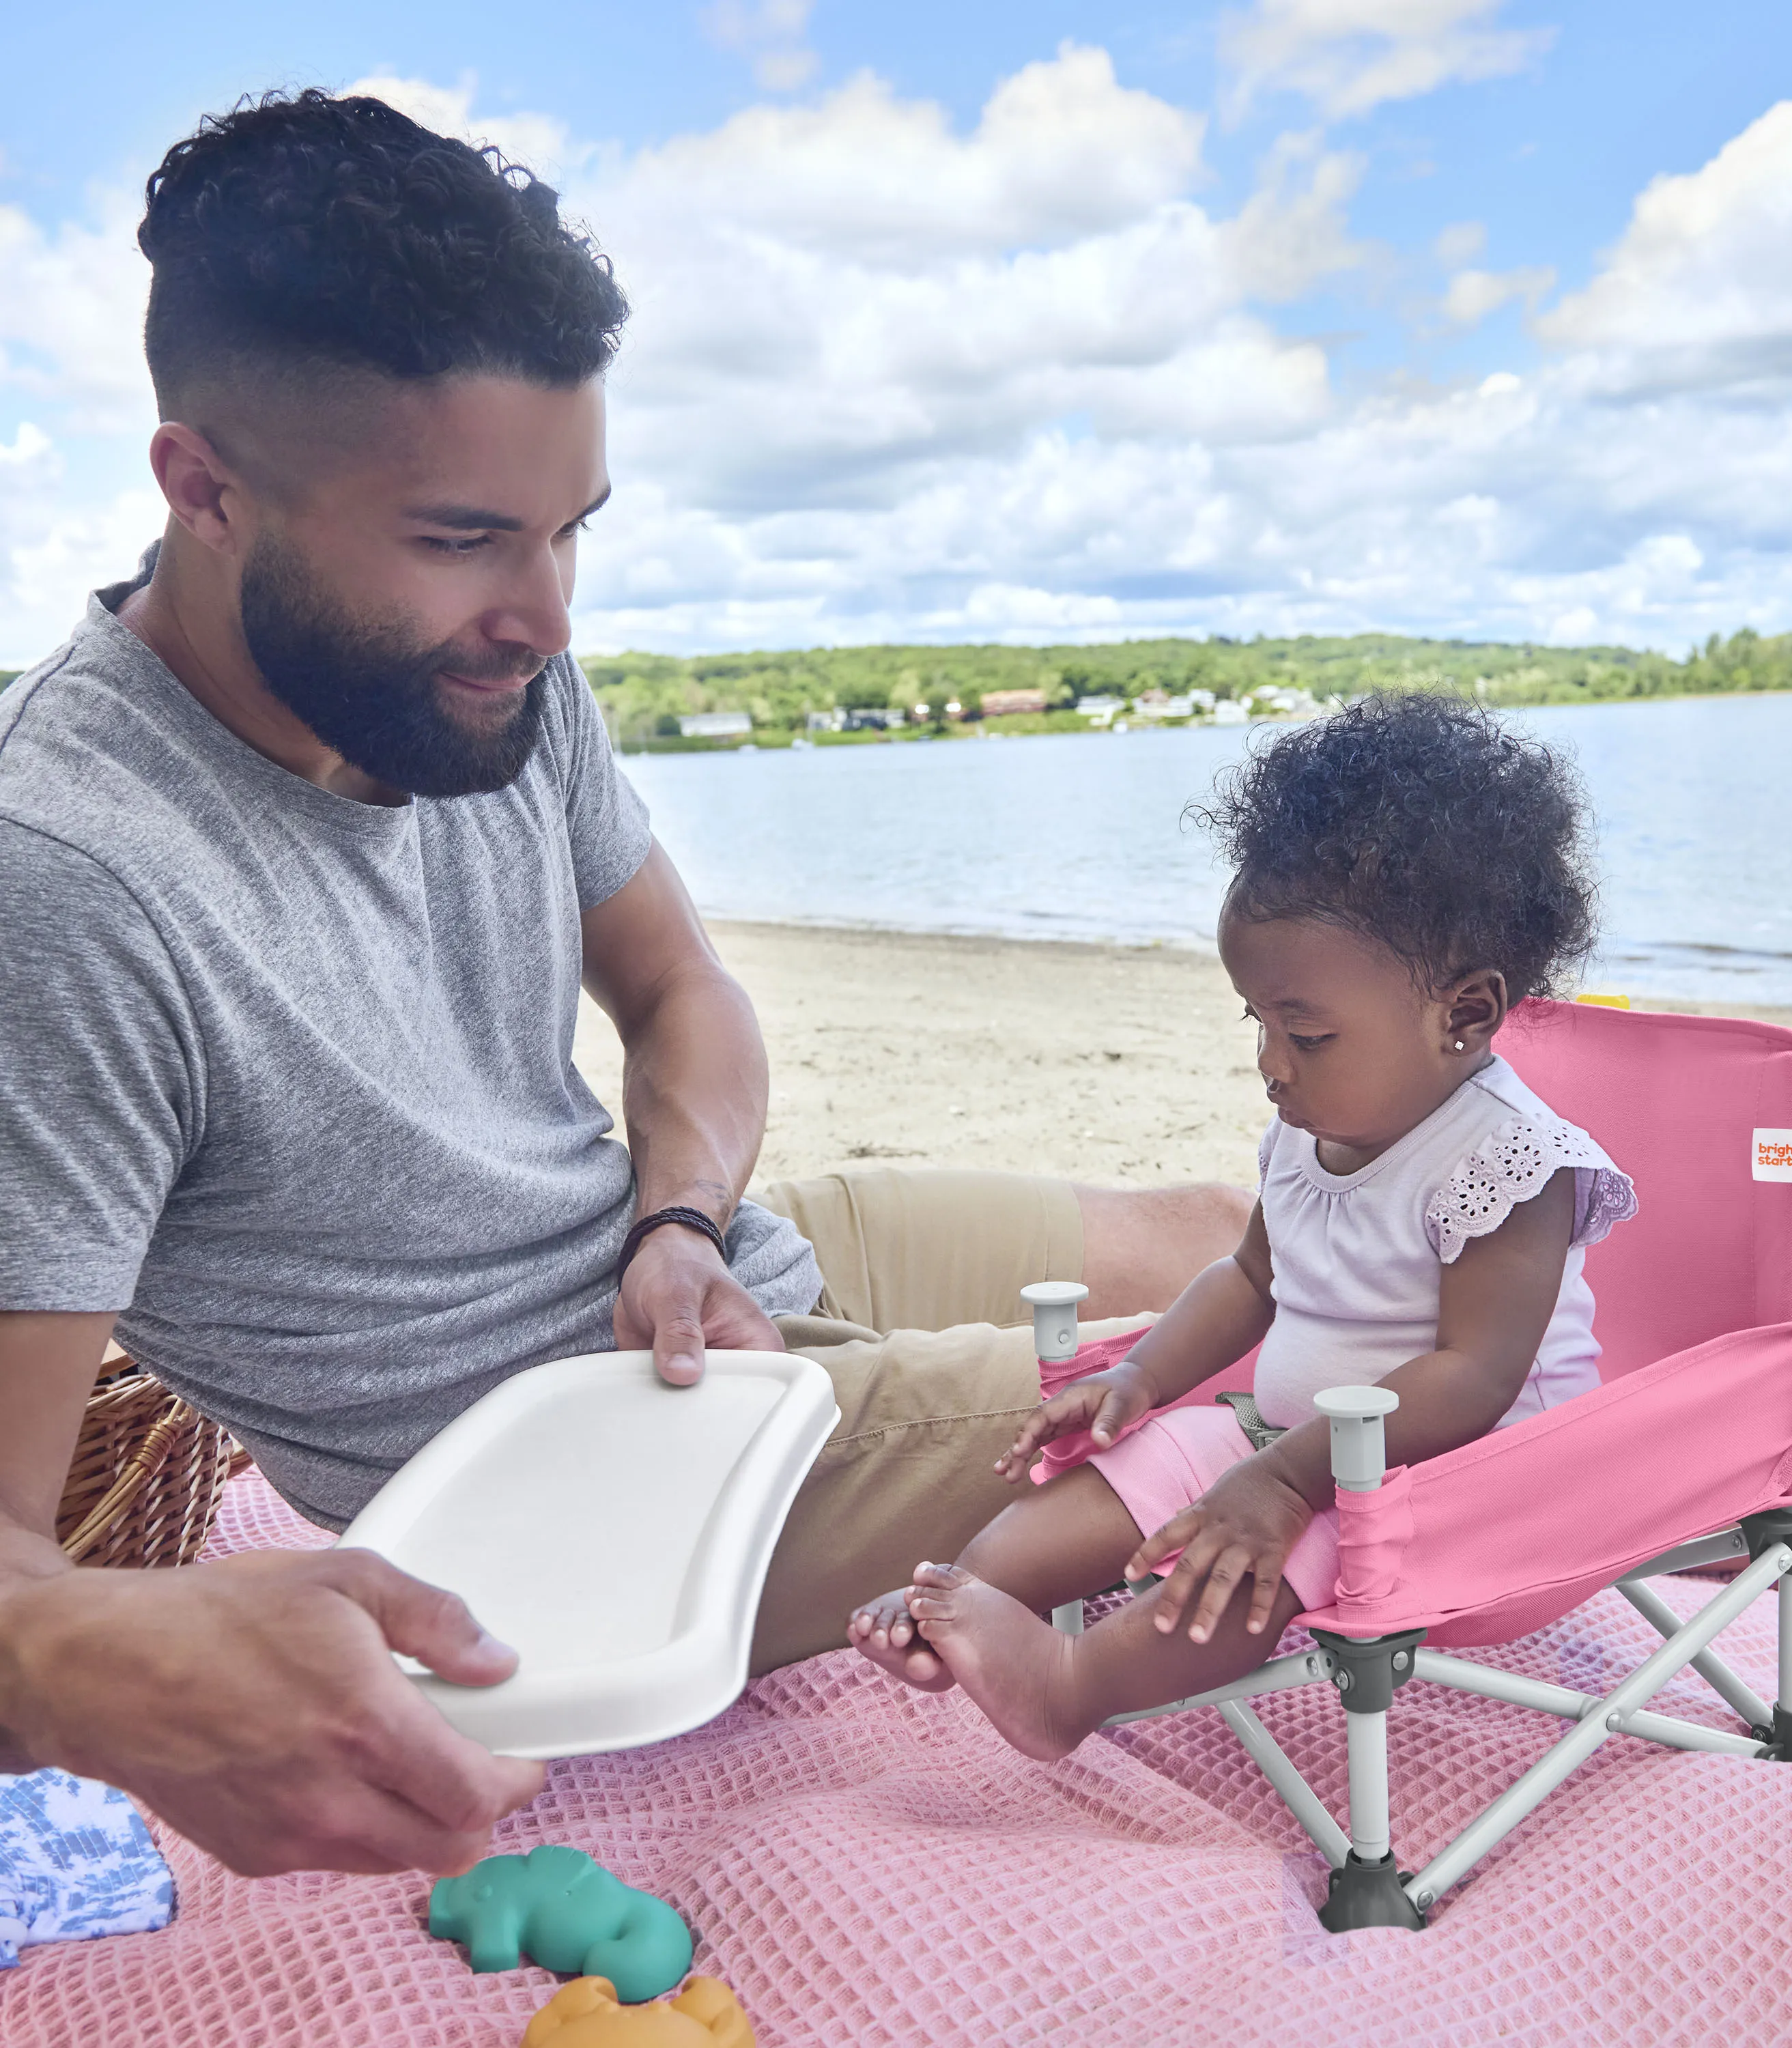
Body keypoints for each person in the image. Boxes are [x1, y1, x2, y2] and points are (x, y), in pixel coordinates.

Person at [0, 91, 1247, 1881]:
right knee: (1283, 1392)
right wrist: (86, 1678)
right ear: (202, 489)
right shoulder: (68, 882)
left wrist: (679, 1216)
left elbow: (681, 998)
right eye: (460, 539)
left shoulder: (490, 674)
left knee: (1232, 1231)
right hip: (560, 1480)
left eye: (570, 525)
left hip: (682, 1273)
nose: (548, 613)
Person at [850, 696, 1645, 1755]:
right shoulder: (1309, 1130)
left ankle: (1075, 1684)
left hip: (1475, 1482)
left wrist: (1277, 1484)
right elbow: (1250, 1277)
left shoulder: (1509, 1161)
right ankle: (966, 1597)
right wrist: (1143, 1379)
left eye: (1307, 1034)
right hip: (1297, 1443)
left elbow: (1472, 1377)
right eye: (1259, 1025)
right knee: (1139, 1468)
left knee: (1270, 1554)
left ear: (1464, 1014)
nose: (1272, 1065)